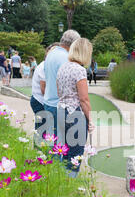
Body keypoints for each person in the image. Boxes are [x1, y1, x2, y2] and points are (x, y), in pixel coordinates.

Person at [56, 38, 95, 177]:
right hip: (75, 114)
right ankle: (70, 184)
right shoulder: (79, 70)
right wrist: (90, 119)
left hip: (61, 111)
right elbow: (84, 99)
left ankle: (62, 183)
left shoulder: (63, 67)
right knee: (75, 155)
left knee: (64, 151)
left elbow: (59, 92)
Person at [43, 29, 81, 137]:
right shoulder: (65, 58)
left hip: (48, 102)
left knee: (52, 140)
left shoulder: (51, 54)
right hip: (58, 105)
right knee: (61, 143)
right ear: (73, 44)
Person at [31, 44, 59, 131]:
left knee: (44, 129)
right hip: (40, 101)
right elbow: (44, 90)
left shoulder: (46, 65)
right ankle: (40, 144)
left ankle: (42, 144)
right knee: (42, 130)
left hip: (40, 100)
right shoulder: (44, 66)